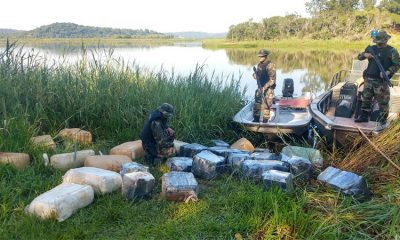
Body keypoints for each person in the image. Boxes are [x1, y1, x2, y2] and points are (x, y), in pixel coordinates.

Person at [355, 30, 400, 126]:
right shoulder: (371, 48)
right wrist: (365, 55)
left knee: (383, 102)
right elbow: (359, 57)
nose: (378, 44)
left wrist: (388, 72)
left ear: (386, 41)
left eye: (380, 43)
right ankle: (363, 116)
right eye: (377, 42)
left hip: (381, 81)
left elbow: (397, 65)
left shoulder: (392, 51)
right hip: (369, 79)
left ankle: (383, 120)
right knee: (366, 98)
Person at [252, 49, 276, 123]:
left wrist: (264, 88)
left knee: (266, 107)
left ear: (265, 56)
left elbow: (272, 80)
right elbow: (258, 75)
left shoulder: (270, 65)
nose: (260, 58)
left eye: (262, 56)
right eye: (259, 56)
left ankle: (265, 122)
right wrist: (255, 75)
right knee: (257, 105)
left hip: (268, 90)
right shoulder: (259, 64)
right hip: (260, 88)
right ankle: (255, 120)